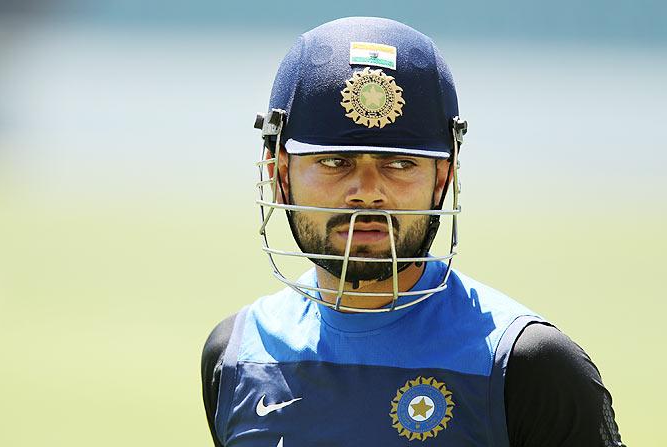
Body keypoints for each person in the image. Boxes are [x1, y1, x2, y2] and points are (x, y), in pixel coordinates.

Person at [202, 17, 625, 446]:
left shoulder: (527, 364)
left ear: (442, 177)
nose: (367, 193)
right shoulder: (236, 354)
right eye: (334, 162)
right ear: (280, 174)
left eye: (400, 164)